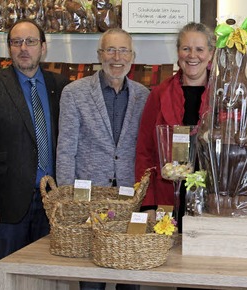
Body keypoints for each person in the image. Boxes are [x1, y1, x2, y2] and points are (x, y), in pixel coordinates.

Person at [0, 19, 70, 290]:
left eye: (31, 42)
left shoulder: (60, 86)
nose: (24, 48)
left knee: (46, 279)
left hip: (52, 204)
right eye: (16, 42)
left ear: (43, 48)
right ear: (9, 48)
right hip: (5, 206)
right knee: (5, 279)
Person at [55, 28, 148, 290]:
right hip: (89, 200)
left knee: (130, 274)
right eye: (110, 50)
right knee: (92, 279)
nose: (117, 57)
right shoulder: (75, 93)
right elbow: (66, 149)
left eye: (123, 50)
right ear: (99, 55)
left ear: (133, 56)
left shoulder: (144, 95)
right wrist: (67, 199)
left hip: (130, 198)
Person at [135, 22, 214, 222]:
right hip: (166, 200)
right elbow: (145, 151)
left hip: (212, 201)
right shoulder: (159, 94)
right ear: (178, 52)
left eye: (199, 49)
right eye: (186, 48)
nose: (192, 55)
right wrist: (148, 203)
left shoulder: (224, 96)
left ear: (211, 54)